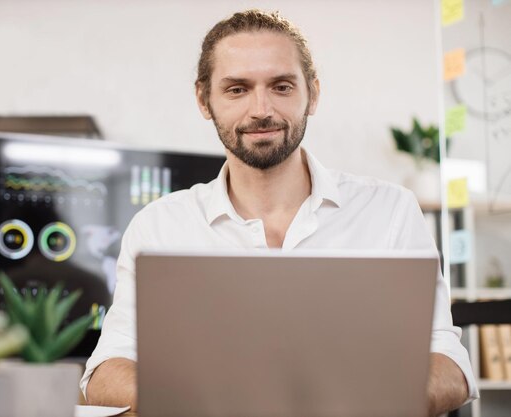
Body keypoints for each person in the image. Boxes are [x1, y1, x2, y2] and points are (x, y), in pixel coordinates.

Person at [80, 9, 478, 416]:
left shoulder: (390, 210)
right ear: (204, 99)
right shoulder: (159, 226)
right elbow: (106, 371)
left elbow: (448, 361)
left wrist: (364, 405)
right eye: (237, 89)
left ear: (313, 94)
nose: (261, 110)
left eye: (281, 86)